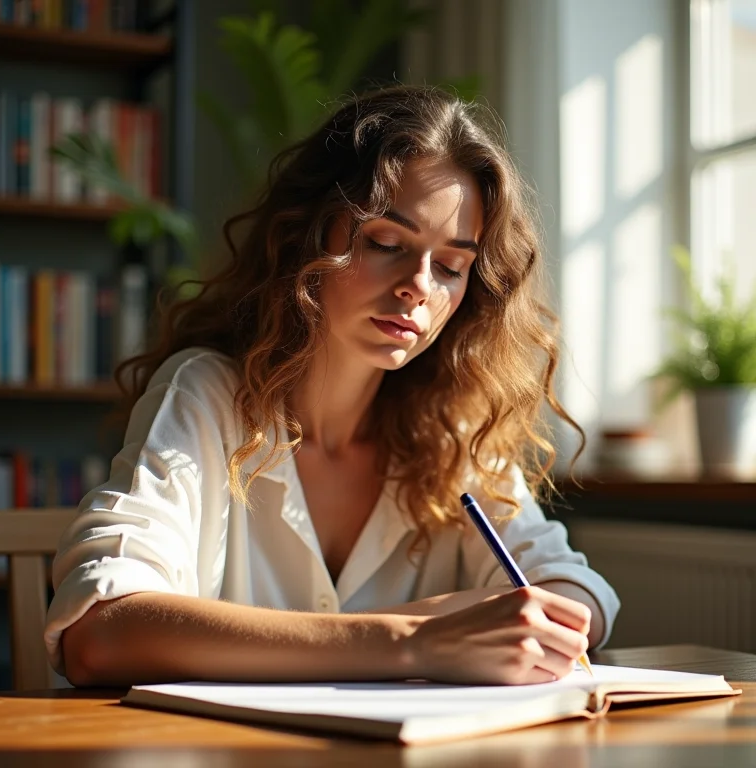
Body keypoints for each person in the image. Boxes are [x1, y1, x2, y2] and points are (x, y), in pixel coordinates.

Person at [46, 85, 619, 688]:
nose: (418, 285)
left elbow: (576, 592)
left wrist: (536, 615)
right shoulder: (208, 395)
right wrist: (412, 639)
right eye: (387, 244)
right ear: (306, 234)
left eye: (451, 266)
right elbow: (100, 633)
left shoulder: (453, 429)